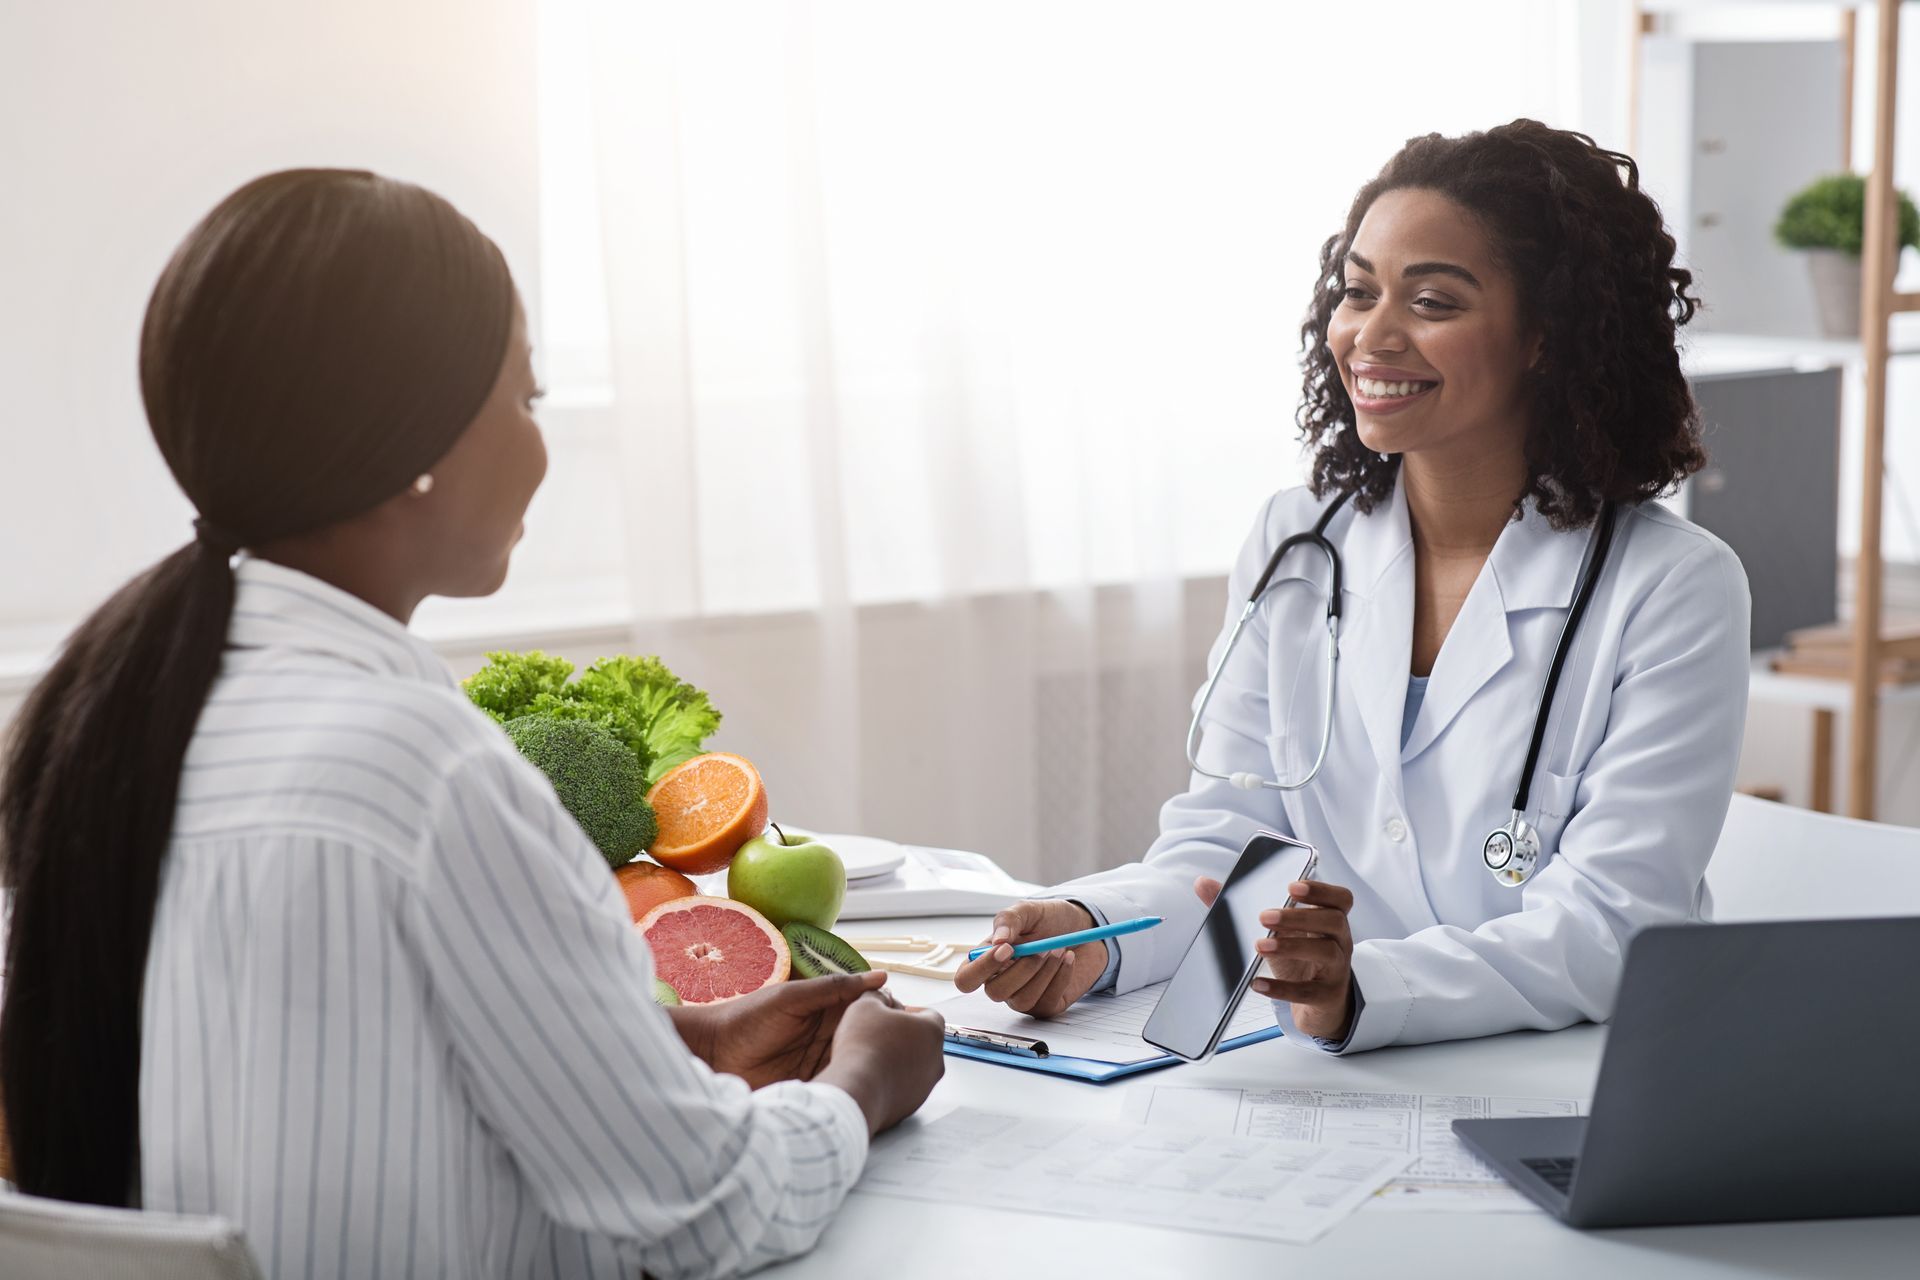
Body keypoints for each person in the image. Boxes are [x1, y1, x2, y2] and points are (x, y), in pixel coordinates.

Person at [0, 169, 944, 1277]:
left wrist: (663, 1045)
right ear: (417, 446)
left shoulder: (107, 723)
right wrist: (863, 1084)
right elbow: (710, 1214)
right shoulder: (432, 772)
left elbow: (326, 1065)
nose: (538, 445)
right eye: (527, 400)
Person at [956, 120, 1751, 1053]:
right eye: (1357, 292)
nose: (1371, 337)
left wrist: (1360, 986)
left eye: (1433, 302)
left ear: (1546, 335)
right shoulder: (1297, 543)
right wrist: (1093, 935)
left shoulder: (1670, 589)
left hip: (1565, 1078)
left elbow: (1611, 928)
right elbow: (1229, 853)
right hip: (1340, 1076)